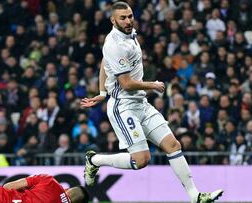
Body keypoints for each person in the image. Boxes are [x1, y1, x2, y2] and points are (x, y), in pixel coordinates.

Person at [80, 2, 223, 203]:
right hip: (124, 106)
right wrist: (153, 85)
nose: (128, 20)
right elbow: (127, 83)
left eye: (130, 16)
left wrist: (102, 91)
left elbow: (104, 62)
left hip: (141, 103)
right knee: (142, 160)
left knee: (173, 145)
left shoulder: (128, 35)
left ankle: (195, 196)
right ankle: (94, 160)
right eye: (123, 17)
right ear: (113, 20)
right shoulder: (115, 44)